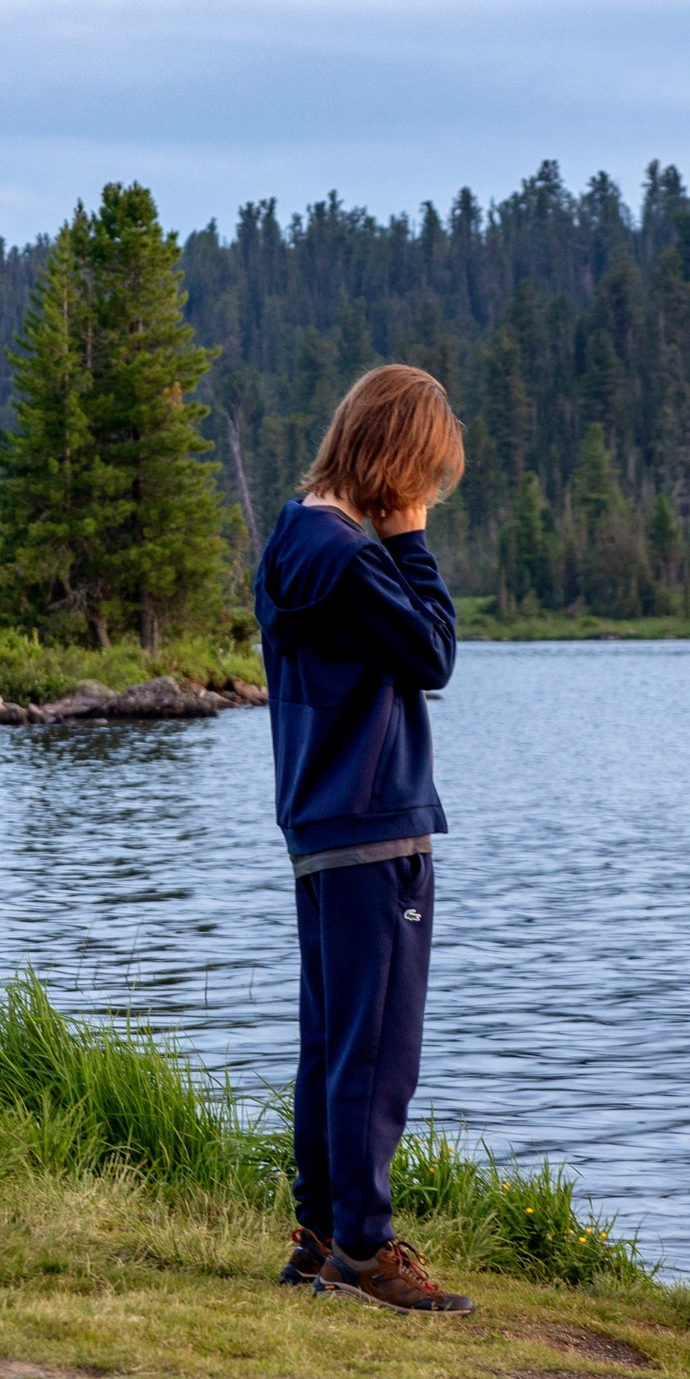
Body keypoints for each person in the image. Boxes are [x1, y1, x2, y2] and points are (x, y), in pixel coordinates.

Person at [254, 363, 474, 1316]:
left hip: (317, 821)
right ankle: (364, 1246)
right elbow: (433, 653)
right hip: (378, 825)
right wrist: (413, 538)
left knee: (330, 1040)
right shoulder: (351, 555)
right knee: (378, 1048)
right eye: (424, 478)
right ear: (396, 463)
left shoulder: (290, 541)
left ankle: (319, 1233)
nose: (424, 497)